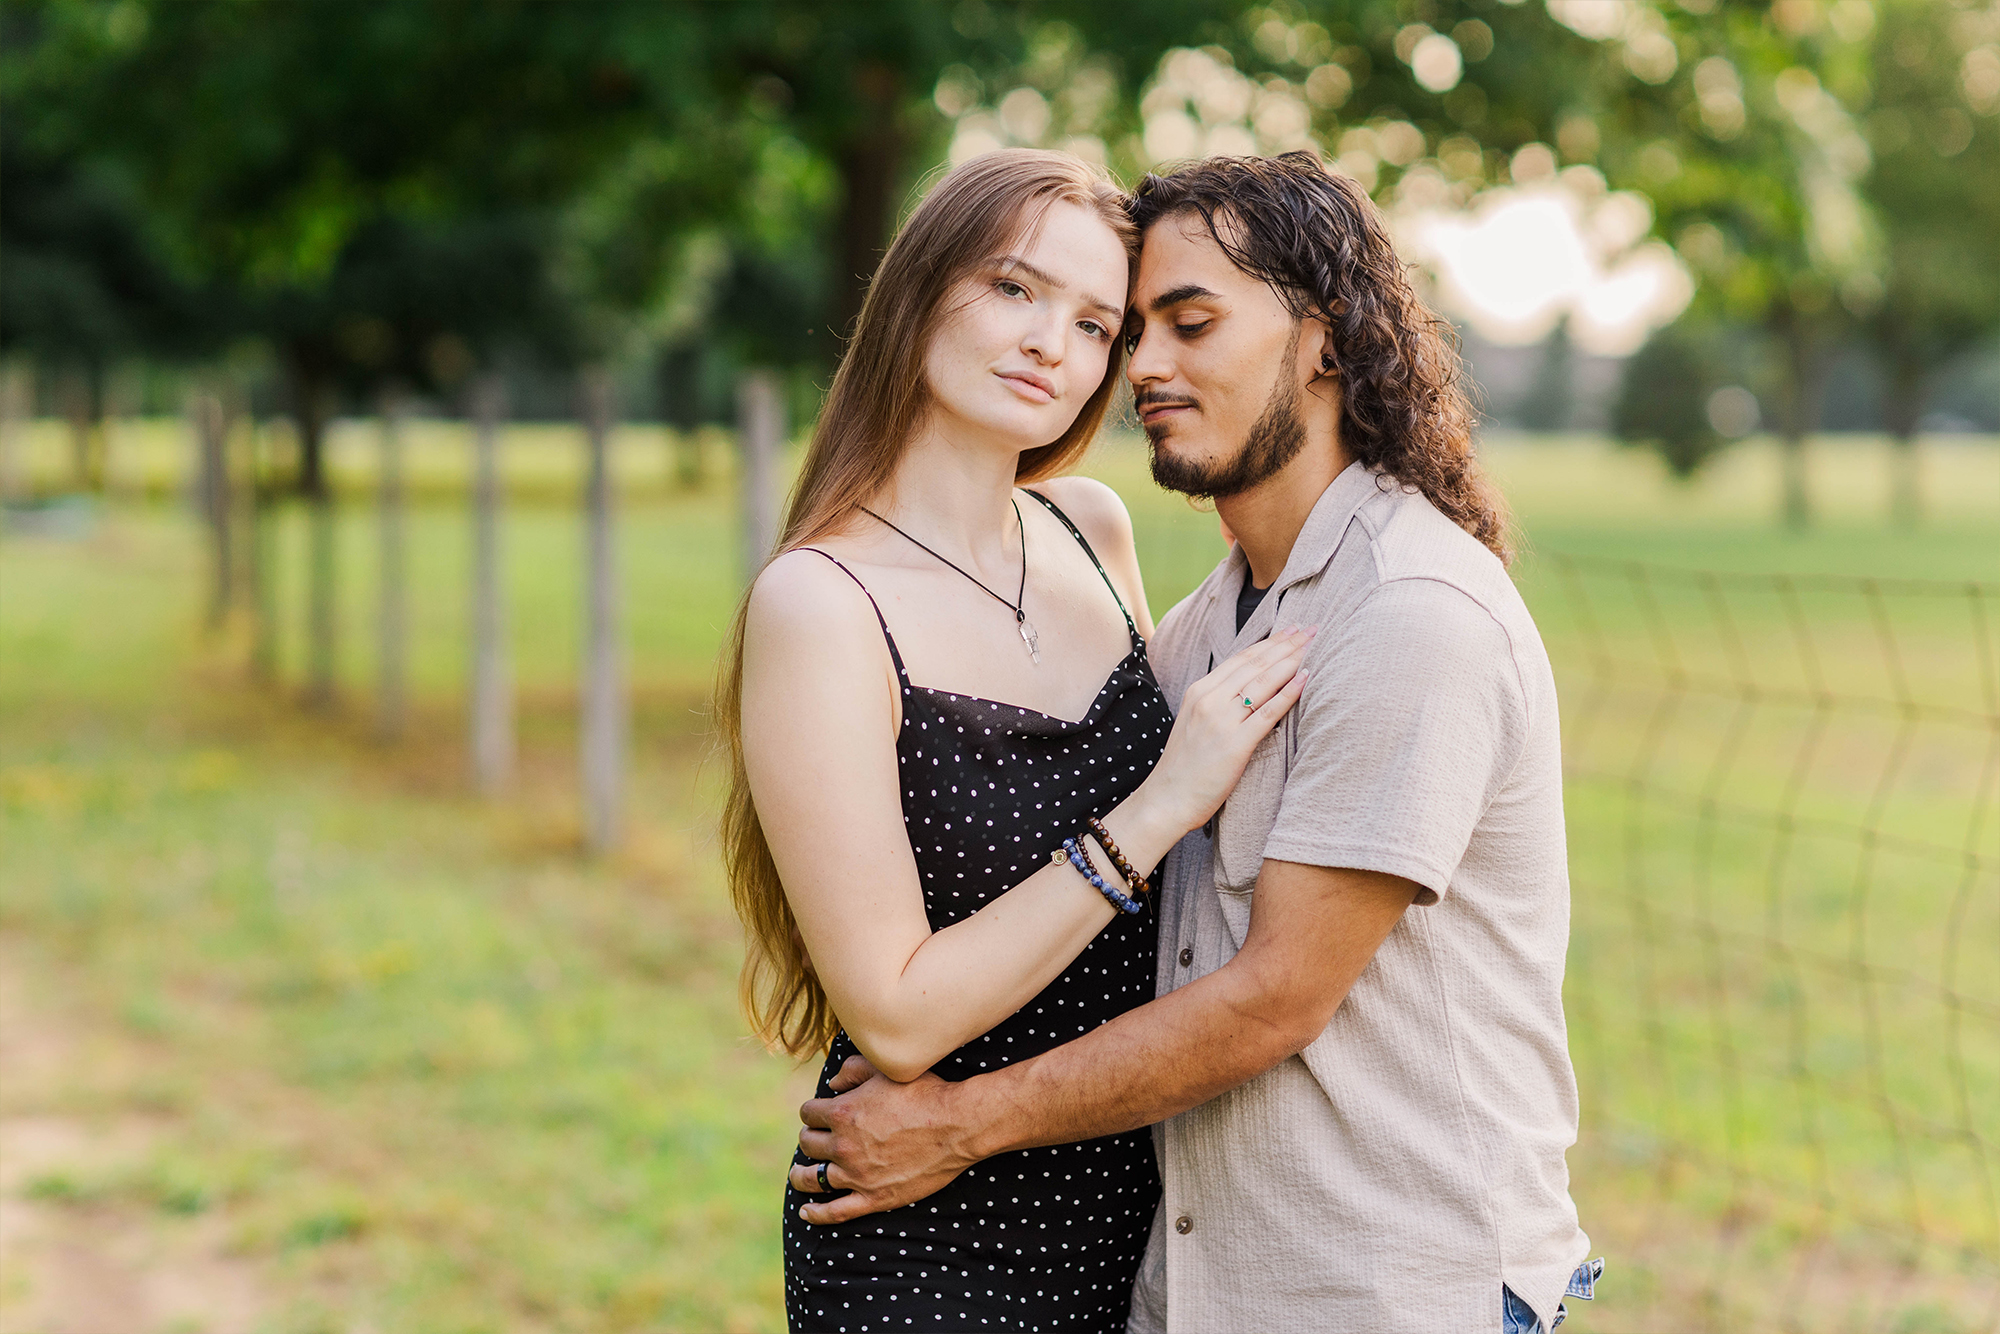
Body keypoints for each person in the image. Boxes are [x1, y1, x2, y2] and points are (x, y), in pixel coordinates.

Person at [786, 152, 1600, 1334]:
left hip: (1391, 1291)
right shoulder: (1208, 619)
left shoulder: (1412, 612)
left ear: (1323, 338)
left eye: (1187, 322)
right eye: (1137, 332)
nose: (1142, 369)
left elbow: (1269, 999)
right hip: (1200, 1285)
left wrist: (957, 1121)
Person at [718, 148, 1313, 1333]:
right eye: (1013, 288)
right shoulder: (822, 601)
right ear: (920, 289)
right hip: (937, 1233)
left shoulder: (1092, 528)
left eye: (1096, 323)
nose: (1054, 342)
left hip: (1148, 1211)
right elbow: (893, 1011)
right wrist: (1158, 807)